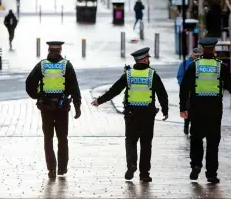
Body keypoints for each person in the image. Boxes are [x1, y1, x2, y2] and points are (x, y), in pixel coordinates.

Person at [91, 47, 169, 182]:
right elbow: (162, 94)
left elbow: (114, 90)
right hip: (147, 115)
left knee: (131, 141)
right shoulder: (152, 75)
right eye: (148, 58)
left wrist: (99, 100)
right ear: (144, 59)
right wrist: (165, 110)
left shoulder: (128, 75)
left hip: (131, 114)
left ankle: (132, 164)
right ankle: (144, 174)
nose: (149, 60)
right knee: (146, 144)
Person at [179, 38, 231, 183]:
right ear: (214, 50)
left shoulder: (194, 66)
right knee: (213, 141)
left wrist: (183, 108)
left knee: (196, 138)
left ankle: (196, 164)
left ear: (202, 50)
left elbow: (184, 88)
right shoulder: (220, 66)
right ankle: (211, 174)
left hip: (197, 107)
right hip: (214, 108)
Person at [25, 41, 82, 180]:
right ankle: (62, 169)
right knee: (62, 138)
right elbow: (74, 86)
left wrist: (38, 96)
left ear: (49, 50)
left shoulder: (42, 65)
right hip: (62, 108)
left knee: (48, 138)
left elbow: (29, 83)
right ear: (60, 50)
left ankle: (51, 169)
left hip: (46, 108)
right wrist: (77, 106)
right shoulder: (66, 65)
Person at [176, 47, 202, 135]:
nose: (197, 57)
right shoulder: (185, 64)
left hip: (198, 91)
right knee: (187, 108)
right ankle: (186, 125)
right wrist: (184, 86)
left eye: (199, 55)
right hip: (188, 91)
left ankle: (195, 127)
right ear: (192, 54)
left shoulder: (201, 64)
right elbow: (180, 76)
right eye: (196, 55)